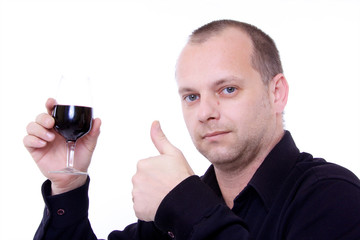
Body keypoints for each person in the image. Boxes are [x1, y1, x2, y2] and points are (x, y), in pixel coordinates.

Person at [24, 20, 360, 240]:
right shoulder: (173, 210)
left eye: (228, 89)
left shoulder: (334, 197)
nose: (205, 112)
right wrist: (67, 187)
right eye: (191, 96)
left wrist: (186, 206)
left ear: (276, 93)